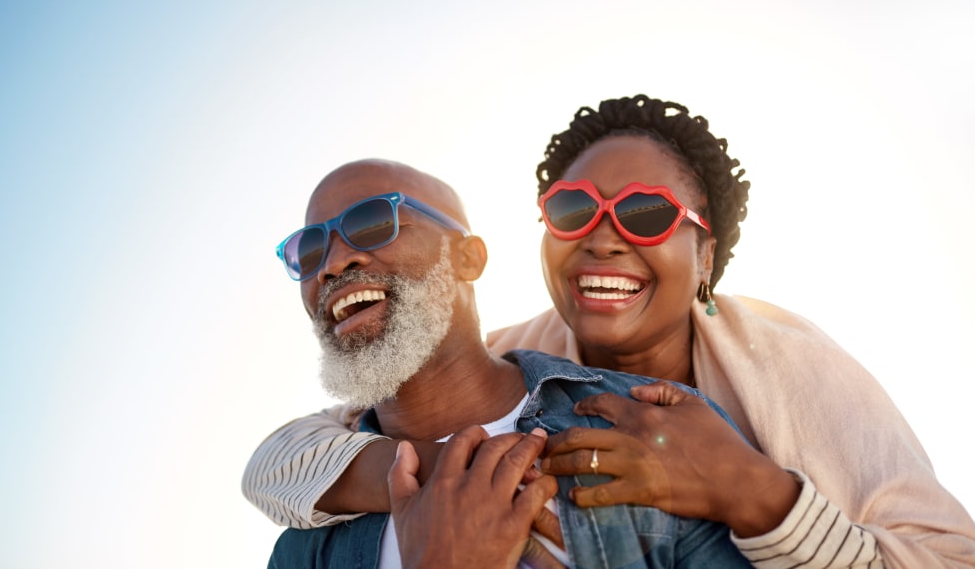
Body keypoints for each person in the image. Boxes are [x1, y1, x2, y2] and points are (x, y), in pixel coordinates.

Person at [244, 95, 975, 568]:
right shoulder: (499, 358)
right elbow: (290, 456)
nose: (603, 237)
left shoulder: (787, 368)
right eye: (572, 211)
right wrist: (435, 476)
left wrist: (753, 493)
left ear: (706, 256)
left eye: (647, 213)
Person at [264, 157, 755, 568]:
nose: (332, 263)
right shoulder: (304, 546)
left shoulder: (652, 426)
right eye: (309, 251)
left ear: (468, 258)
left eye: (371, 224)